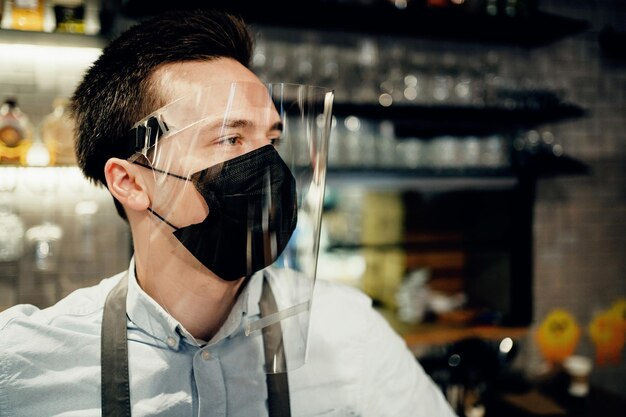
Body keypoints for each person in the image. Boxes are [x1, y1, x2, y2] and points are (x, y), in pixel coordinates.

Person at [0, 9, 456, 417]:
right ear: (131, 181)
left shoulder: (348, 332)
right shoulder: (27, 365)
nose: (268, 167)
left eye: (271, 141)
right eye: (230, 139)